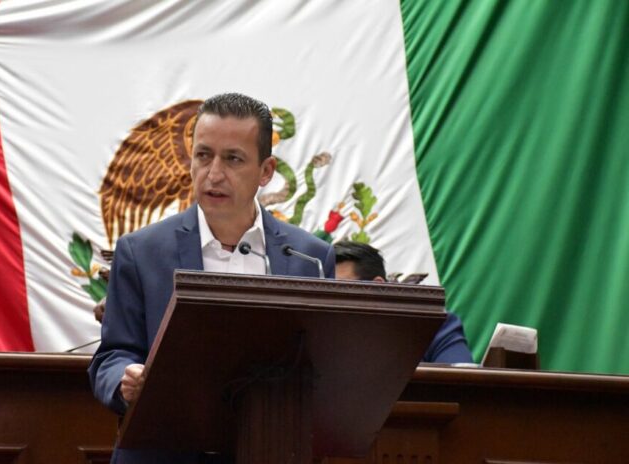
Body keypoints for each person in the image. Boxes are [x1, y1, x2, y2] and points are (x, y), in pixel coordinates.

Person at [88, 93, 335, 463]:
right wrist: (125, 377)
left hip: (270, 449)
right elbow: (111, 355)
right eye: (203, 155)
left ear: (266, 171)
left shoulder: (309, 259)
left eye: (233, 159)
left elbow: (322, 371)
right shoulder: (142, 252)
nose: (214, 174)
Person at [333, 241, 473, 364]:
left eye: (340, 288)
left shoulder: (432, 326)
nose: (330, 298)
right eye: (323, 288)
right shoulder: (322, 335)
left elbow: (461, 380)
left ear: (376, 287)